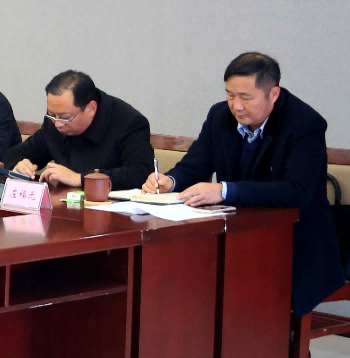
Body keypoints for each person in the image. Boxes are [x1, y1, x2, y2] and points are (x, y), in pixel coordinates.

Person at [144, 53, 343, 316]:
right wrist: (170, 181)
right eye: (230, 95)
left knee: (245, 289)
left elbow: (297, 191)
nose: (236, 106)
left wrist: (225, 190)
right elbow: (196, 164)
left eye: (246, 97)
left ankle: (273, 335)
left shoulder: (305, 124)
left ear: (273, 93)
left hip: (294, 240)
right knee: (187, 272)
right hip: (235, 231)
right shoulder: (219, 115)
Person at [3, 70, 154, 189]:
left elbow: (141, 173)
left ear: (91, 108)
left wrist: (80, 178)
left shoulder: (128, 122)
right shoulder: (55, 122)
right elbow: (14, 154)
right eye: (52, 115)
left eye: (65, 117)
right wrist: (19, 165)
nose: (58, 124)